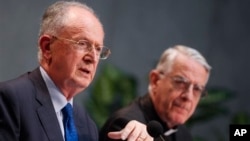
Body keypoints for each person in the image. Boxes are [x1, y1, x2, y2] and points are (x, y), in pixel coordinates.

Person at [0, 1, 110, 141]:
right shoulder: (9, 99)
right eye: (82, 44)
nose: (93, 58)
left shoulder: (87, 125)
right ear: (47, 47)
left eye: (98, 49)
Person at [99, 45, 212, 141]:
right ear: (155, 80)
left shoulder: (183, 134)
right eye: (181, 82)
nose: (188, 96)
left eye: (197, 89)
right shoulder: (127, 126)